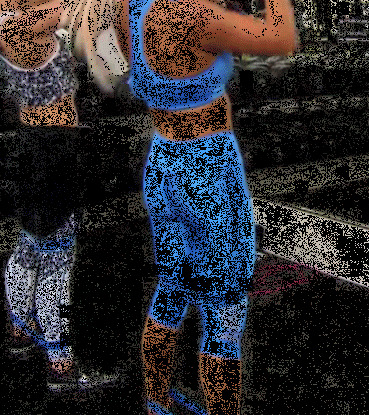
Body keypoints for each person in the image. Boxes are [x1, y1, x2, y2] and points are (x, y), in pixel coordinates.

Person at [118, 0, 297, 413]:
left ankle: (157, 402)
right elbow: (282, 38)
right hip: (207, 168)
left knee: (172, 287)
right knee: (224, 310)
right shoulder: (194, 15)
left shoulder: (134, 8)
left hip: (163, 161)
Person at [0, 0, 114, 392]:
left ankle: (20, 330)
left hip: (34, 146)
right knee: (57, 259)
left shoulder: (16, 21)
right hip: (52, 152)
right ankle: (61, 365)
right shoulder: (21, 26)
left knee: (31, 244)